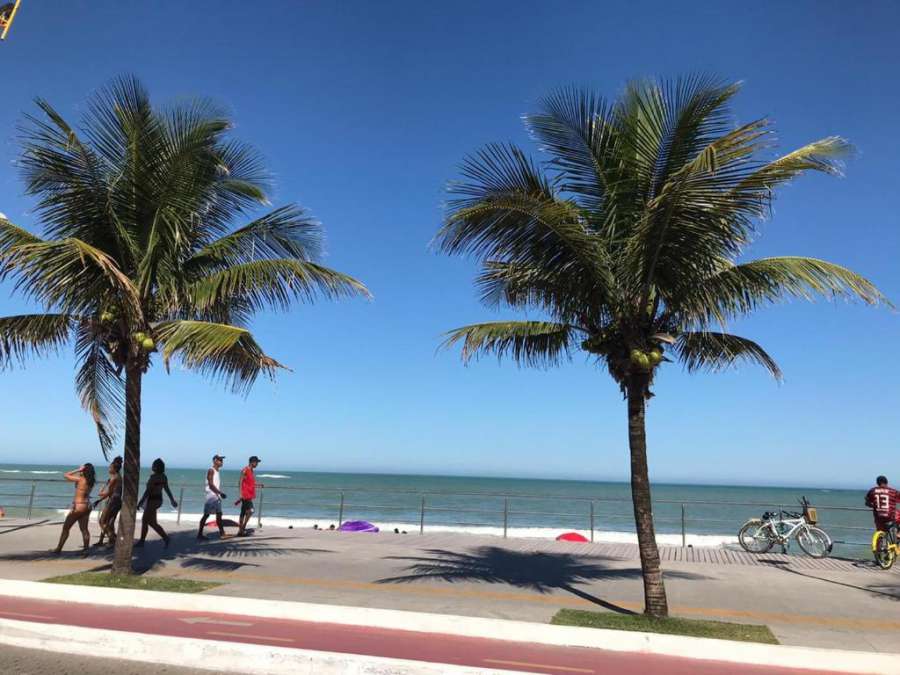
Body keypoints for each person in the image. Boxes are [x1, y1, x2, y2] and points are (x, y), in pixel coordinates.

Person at [53, 464, 96, 556]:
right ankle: (86, 550)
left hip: (79, 506)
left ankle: (58, 549)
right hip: (87, 506)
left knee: (66, 528)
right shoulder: (91, 481)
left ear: (84, 470)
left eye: (82, 468)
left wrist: (78, 469)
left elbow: (66, 475)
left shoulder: (81, 479)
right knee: (84, 529)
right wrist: (82, 472)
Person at [136, 458, 177, 547]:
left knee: (145, 521)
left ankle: (142, 542)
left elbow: (148, 491)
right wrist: (172, 500)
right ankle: (166, 538)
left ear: (156, 467)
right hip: (158, 500)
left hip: (152, 501)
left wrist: (140, 502)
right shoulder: (163, 477)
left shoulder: (154, 478)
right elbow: (167, 489)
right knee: (152, 522)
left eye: (153, 465)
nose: (152, 466)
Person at [95, 456, 123, 547]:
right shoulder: (118, 477)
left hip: (113, 501)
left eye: (110, 467)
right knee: (109, 522)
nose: (109, 469)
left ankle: (113, 539)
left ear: (114, 469)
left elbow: (108, 493)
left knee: (102, 521)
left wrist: (100, 494)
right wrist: (101, 499)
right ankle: (102, 540)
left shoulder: (114, 478)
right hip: (117, 501)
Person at [198, 454, 227, 540]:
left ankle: (222, 533)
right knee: (206, 515)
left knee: (219, 515)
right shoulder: (211, 470)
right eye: (220, 460)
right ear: (215, 460)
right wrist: (220, 493)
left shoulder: (217, 471)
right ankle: (199, 534)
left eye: (222, 460)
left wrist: (219, 494)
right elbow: (210, 485)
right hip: (211, 497)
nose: (222, 462)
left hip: (216, 496)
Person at [234, 455, 260, 537]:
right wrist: (241, 494)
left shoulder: (251, 471)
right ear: (253, 462)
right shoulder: (245, 470)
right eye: (256, 462)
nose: (257, 464)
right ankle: (242, 529)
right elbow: (240, 482)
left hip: (249, 495)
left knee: (243, 511)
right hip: (245, 495)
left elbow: (250, 482)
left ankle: (241, 530)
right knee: (250, 511)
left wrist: (258, 485)